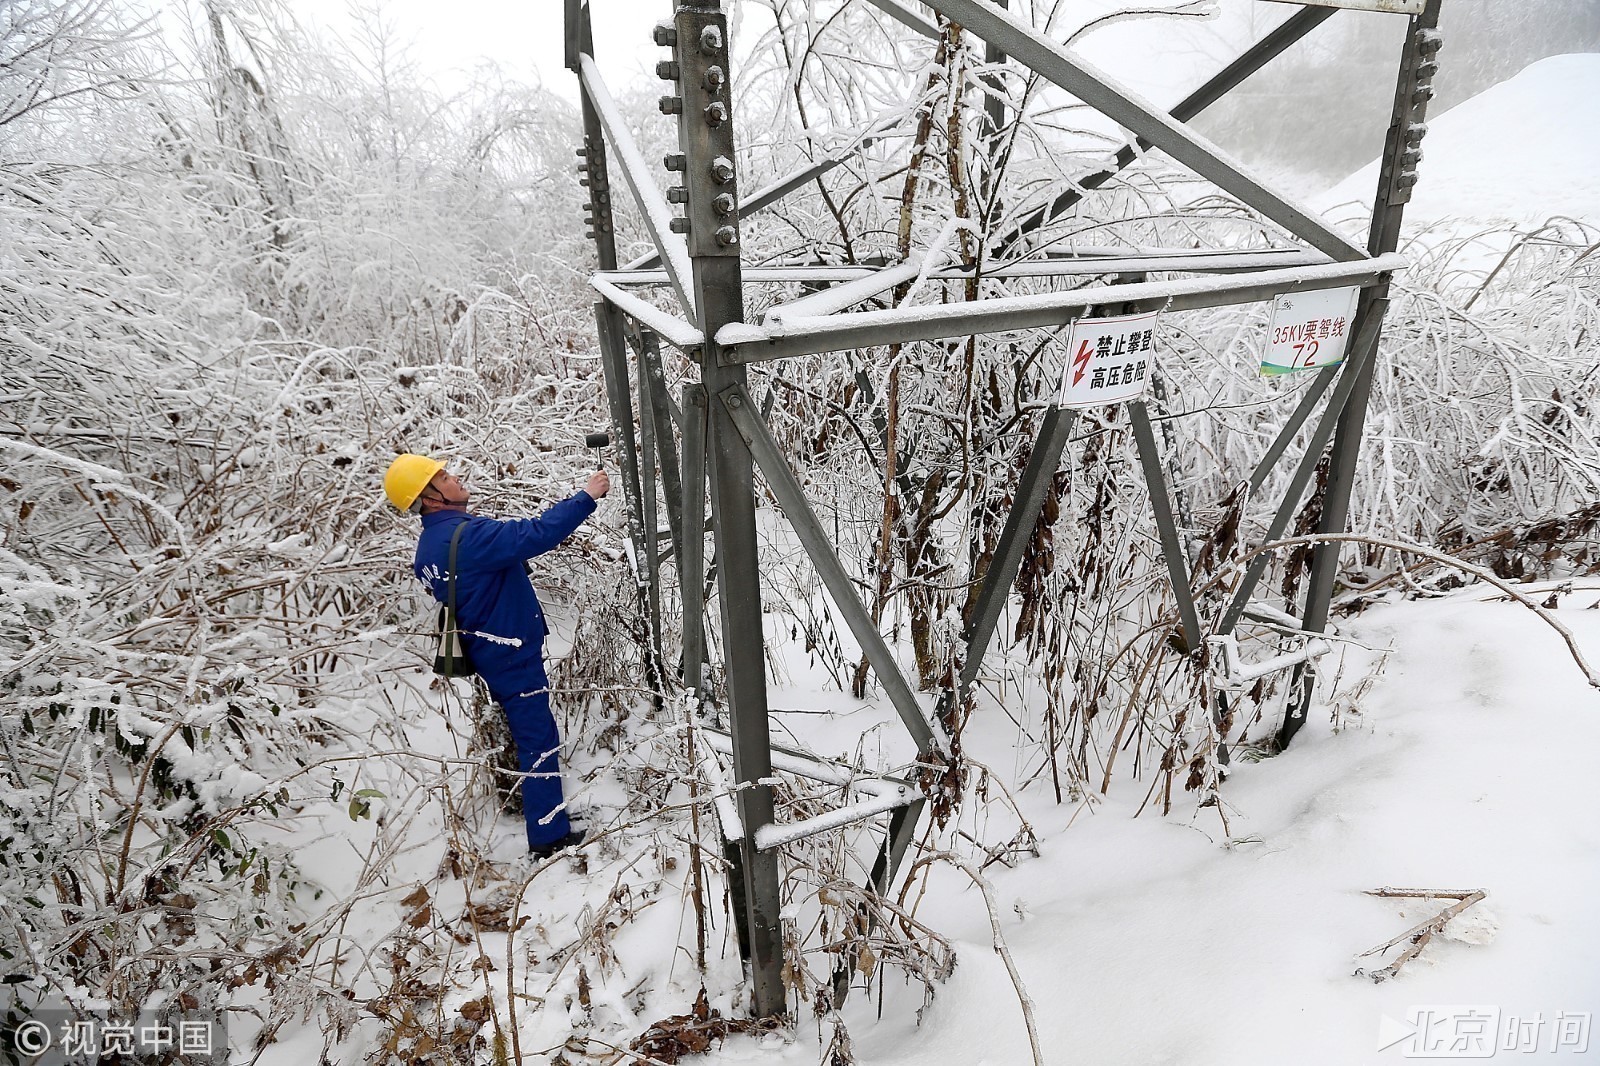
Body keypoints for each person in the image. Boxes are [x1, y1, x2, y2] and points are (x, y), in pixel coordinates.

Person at [383, 453, 610, 858]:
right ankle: (548, 837)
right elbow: (536, 534)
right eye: (445, 476)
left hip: (488, 649)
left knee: (533, 733)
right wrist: (586, 497)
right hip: (508, 651)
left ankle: (547, 822)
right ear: (431, 497)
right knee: (537, 737)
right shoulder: (467, 537)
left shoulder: (431, 546)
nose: (455, 478)